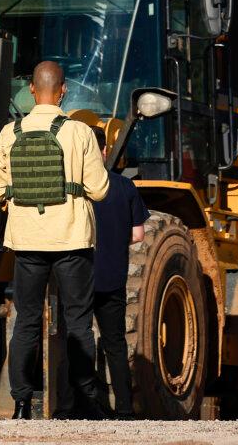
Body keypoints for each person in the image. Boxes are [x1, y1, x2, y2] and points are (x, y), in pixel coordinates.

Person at [0, 61, 109, 420]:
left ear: (30, 90)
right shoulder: (80, 132)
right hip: (72, 238)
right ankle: (85, 401)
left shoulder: (10, 132)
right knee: (78, 322)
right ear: (63, 90)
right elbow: (100, 190)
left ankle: (23, 401)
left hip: (27, 241)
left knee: (26, 320)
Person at [90, 126, 149, 419]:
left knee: (78, 338)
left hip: (80, 277)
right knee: (115, 343)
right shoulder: (125, 187)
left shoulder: (76, 189)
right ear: (104, 151)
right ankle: (124, 408)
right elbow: (138, 235)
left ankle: (82, 403)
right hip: (112, 278)